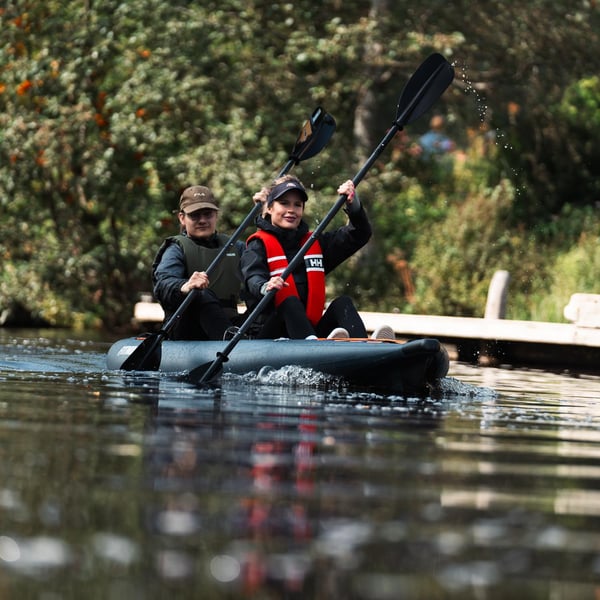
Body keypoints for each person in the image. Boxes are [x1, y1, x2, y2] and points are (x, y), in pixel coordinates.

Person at [242, 174, 392, 340]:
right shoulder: (257, 246)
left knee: (343, 303)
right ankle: (317, 347)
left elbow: (359, 234)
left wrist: (353, 204)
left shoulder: (314, 243)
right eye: (284, 203)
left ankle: (362, 348)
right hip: (269, 335)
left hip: (309, 333)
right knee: (289, 301)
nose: (291, 210)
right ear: (270, 208)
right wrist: (265, 286)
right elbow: (253, 278)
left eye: (297, 205)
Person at [152, 185, 245, 340]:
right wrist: (185, 285)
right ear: (182, 218)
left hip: (231, 323)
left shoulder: (237, 247)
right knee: (200, 294)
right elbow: (163, 284)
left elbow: (257, 270)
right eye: (195, 215)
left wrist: (264, 213)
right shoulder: (175, 248)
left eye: (208, 214)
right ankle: (229, 339)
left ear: (216, 215)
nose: (202, 220)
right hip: (188, 327)